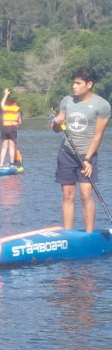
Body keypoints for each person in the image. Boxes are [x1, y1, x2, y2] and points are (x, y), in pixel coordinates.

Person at [50, 65, 111, 232]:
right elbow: (57, 130)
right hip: (67, 153)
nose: (73, 86)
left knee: (85, 195)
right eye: (73, 83)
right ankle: (68, 234)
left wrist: (88, 160)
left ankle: (89, 234)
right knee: (68, 195)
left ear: (89, 84)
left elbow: (98, 136)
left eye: (78, 83)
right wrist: (57, 123)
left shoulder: (102, 106)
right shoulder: (67, 101)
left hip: (87, 155)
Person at [0, 88, 22, 168]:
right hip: (12, 128)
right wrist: (17, 124)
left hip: (4, 128)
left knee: (4, 147)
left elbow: (1, 104)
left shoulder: (5, 108)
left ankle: (1, 164)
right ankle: (12, 164)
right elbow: (19, 121)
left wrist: (5, 95)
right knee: (11, 147)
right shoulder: (16, 109)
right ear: (14, 103)